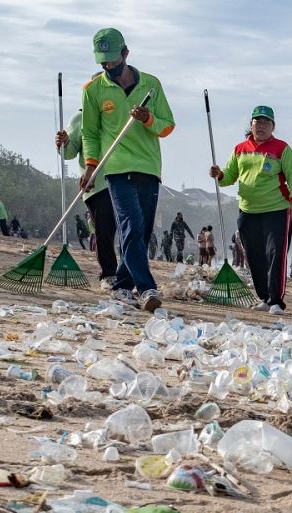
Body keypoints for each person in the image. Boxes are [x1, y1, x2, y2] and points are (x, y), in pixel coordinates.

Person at [79, 27, 175, 308]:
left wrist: (147, 119)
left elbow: (167, 125)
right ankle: (146, 289)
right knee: (131, 225)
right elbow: (90, 133)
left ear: (125, 53)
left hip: (148, 166)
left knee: (141, 232)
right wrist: (90, 166)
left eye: (112, 60)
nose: (108, 66)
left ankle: (121, 285)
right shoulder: (93, 90)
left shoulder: (151, 84)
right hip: (117, 168)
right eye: (103, 62)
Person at [210, 104, 292, 313]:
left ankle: (276, 301)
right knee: (254, 256)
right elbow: (229, 177)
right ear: (250, 125)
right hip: (248, 211)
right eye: (257, 122)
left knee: (275, 253)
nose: (261, 126)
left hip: (276, 210)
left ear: (273, 126)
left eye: (266, 122)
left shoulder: (281, 148)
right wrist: (219, 174)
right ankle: (264, 297)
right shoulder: (240, 149)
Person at [57, 111, 117, 285]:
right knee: (104, 230)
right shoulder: (81, 118)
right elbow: (68, 153)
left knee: (130, 229)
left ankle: (130, 275)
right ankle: (109, 274)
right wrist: (63, 144)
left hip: (124, 179)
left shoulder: (119, 111)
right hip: (97, 184)